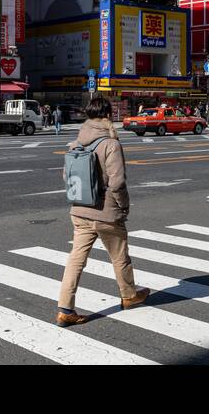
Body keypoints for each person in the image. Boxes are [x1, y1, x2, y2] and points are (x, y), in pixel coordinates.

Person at [56, 96, 150, 326]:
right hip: (106, 212)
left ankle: (65, 309)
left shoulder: (76, 143)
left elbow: (66, 177)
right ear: (108, 115)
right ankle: (129, 295)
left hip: (79, 211)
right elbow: (117, 183)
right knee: (120, 257)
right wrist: (123, 206)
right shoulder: (110, 144)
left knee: (76, 260)